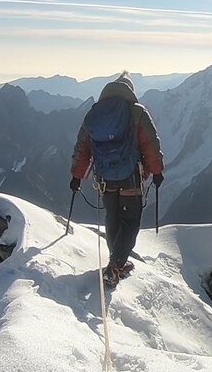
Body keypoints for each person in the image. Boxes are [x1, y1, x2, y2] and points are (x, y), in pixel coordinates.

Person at [70, 73, 164, 288]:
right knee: (130, 222)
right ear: (130, 90)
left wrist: (76, 176)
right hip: (131, 178)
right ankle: (116, 266)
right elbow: (151, 144)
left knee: (112, 218)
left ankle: (115, 261)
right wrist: (157, 171)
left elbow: (82, 148)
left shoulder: (94, 115)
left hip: (104, 180)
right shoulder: (137, 112)